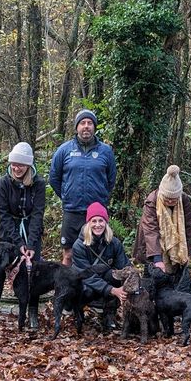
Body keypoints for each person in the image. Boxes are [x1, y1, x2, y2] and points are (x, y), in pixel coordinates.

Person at [0, 142, 47, 332]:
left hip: (31, 231)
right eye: (14, 164)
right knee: (0, 271)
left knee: (32, 272)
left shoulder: (38, 183)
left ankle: (32, 312)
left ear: (29, 166)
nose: (17, 168)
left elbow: (38, 214)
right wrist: (18, 243)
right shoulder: (3, 183)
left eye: (21, 165)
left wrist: (31, 244)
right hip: (8, 233)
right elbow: (4, 214)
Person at [49, 109, 117, 265]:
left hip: (96, 213)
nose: (86, 126)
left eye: (90, 123)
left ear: (94, 127)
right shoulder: (64, 150)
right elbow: (54, 178)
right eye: (82, 123)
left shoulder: (105, 151)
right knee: (69, 254)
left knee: (97, 254)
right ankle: (66, 288)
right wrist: (66, 195)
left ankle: (94, 288)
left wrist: (101, 198)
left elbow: (111, 179)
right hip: (72, 210)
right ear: (76, 127)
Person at [133, 165, 191, 294]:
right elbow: (150, 230)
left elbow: (187, 228)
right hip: (152, 246)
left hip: (176, 246)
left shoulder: (184, 201)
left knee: (173, 280)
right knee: (150, 279)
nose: (170, 201)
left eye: (173, 199)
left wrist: (187, 251)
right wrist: (157, 259)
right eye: (167, 198)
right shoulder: (152, 200)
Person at [71, 202, 130, 332]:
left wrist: (130, 284)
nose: (98, 225)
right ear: (88, 223)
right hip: (85, 281)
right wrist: (113, 290)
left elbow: (125, 267)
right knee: (87, 290)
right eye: (94, 221)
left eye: (101, 221)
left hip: (105, 278)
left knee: (116, 276)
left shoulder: (114, 243)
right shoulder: (78, 246)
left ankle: (109, 315)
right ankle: (78, 313)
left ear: (106, 223)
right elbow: (85, 275)